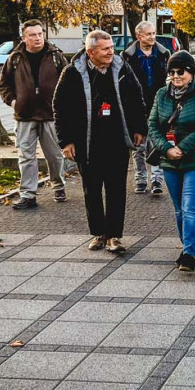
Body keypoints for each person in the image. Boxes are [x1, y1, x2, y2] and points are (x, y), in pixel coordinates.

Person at [54, 30, 147, 254]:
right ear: (90, 52)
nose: (110, 52)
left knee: (116, 189)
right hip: (87, 141)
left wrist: (139, 129)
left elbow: (136, 97)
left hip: (116, 139)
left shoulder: (122, 67)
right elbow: (60, 107)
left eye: (111, 47)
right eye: (105, 49)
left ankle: (114, 235)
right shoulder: (72, 72)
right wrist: (65, 141)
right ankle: (98, 233)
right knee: (92, 190)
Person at [149, 51, 195, 272]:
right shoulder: (162, 94)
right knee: (178, 208)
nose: (176, 76)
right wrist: (167, 148)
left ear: (191, 72)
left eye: (181, 71)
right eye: (172, 72)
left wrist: (182, 148)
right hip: (170, 160)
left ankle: (189, 252)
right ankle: (186, 244)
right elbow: (153, 126)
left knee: (189, 207)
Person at [0, 19, 68, 210]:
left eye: (40, 34)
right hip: (25, 116)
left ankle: (58, 185)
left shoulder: (56, 56)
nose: (37, 38)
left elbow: (69, 82)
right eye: (32, 35)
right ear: (24, 37)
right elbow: (4, 85)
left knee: (55, 155)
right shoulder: (15, 58)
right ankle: (28, 194)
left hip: (50, 115)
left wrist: (63, 106)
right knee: (26, 156)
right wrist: (13, 102)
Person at [123, 20, 171, 195]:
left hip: (158, 105)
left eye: (153, 33)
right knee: (139, 145)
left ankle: (157, 180)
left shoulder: (163, 54)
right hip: (137, 107)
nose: (152, 37)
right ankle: (141, 179)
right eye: (148, 34)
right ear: (139, 36)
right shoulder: (128, 56)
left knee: (157, 143)